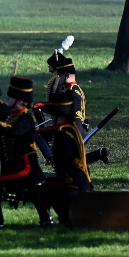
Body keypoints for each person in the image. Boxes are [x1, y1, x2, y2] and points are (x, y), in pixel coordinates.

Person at [0, 76, 52, 228]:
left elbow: (14, 131)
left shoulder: (26, 119)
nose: (7, 99)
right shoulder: (11, 117)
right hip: (14, 166)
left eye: (11, 97)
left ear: (20, 101)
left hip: (25, 168)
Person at [39, 91, 93, 226]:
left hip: (72, 185)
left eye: (53, 115)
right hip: (82, 182)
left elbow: (64, 164)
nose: (51, 117)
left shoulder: (62, 134)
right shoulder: (72, 129)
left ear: (60, 116)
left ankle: (58, 218)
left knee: (39, 187)